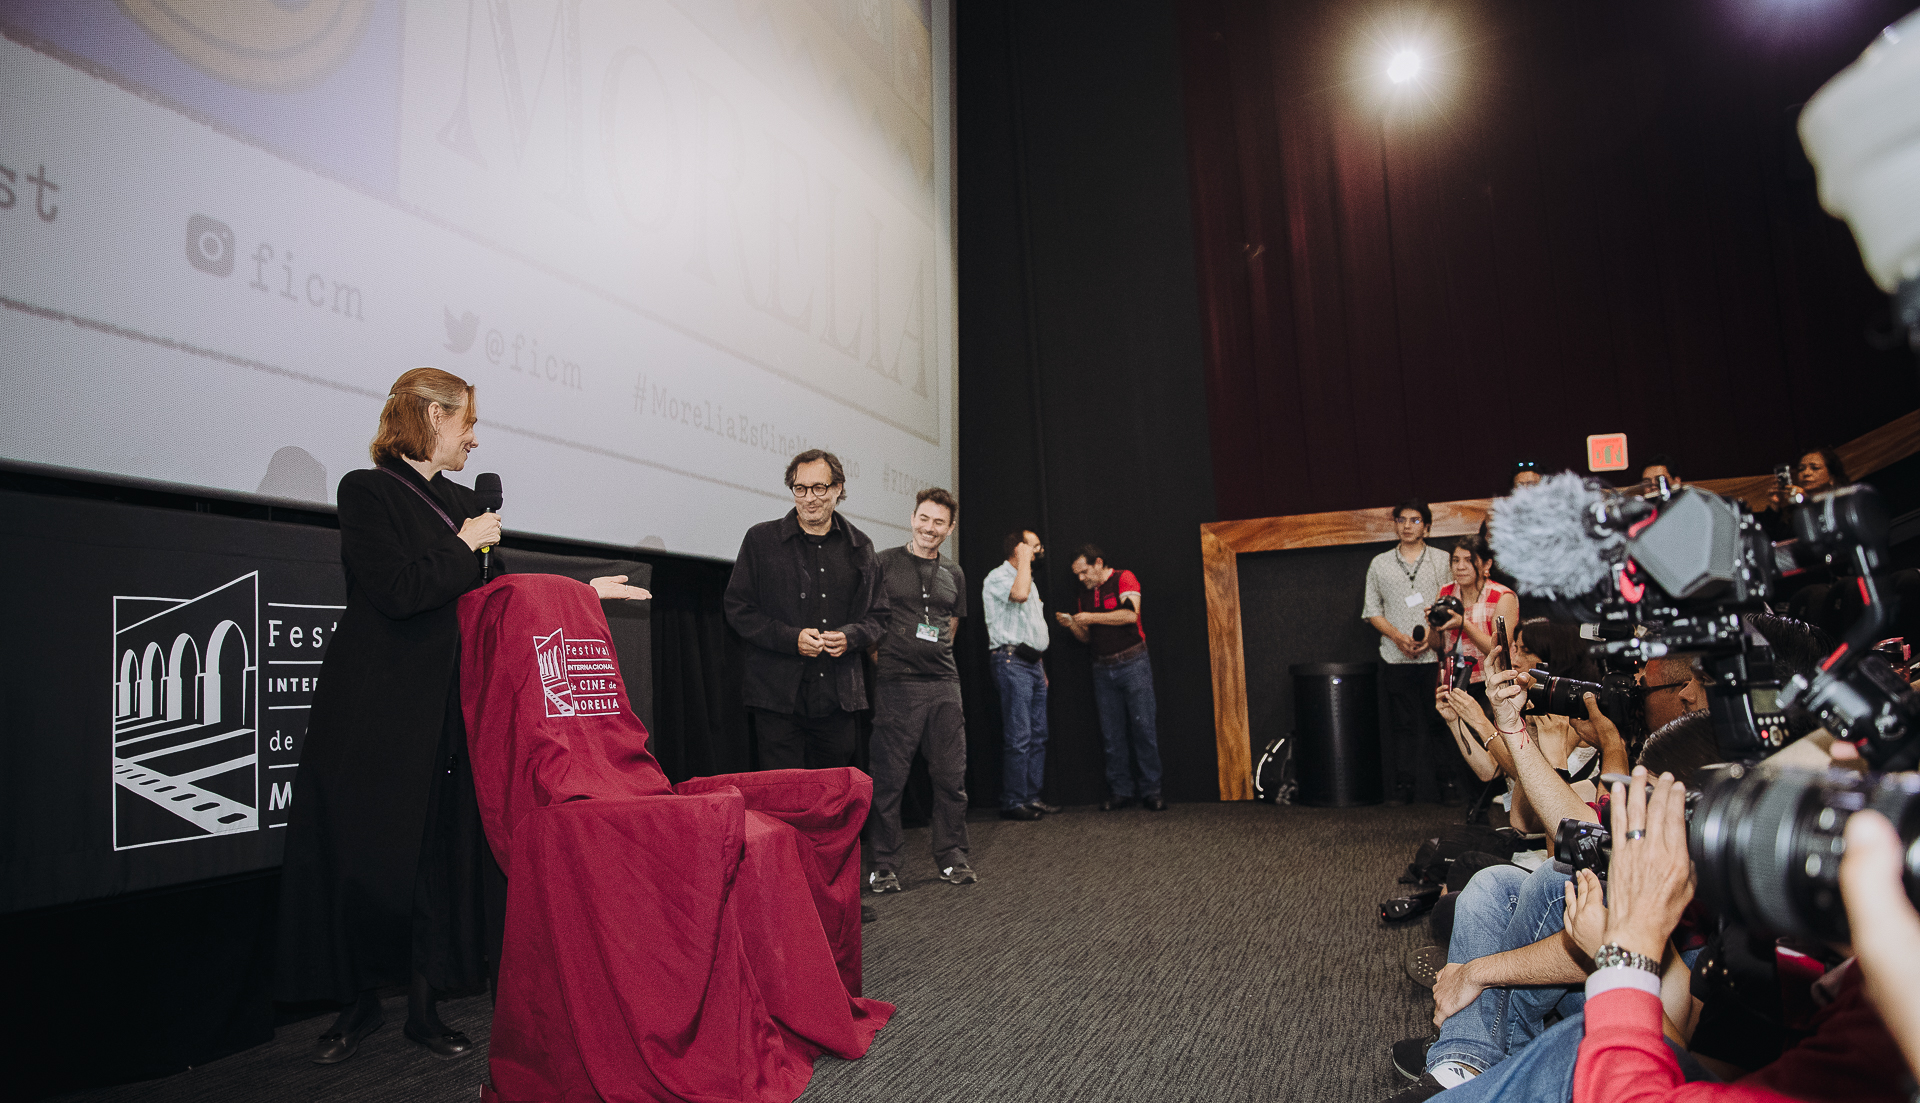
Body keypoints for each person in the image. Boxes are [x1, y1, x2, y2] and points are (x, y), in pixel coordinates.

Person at [275, 368, 646, 1065]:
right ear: (429, 415)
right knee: (361, 858)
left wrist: (579, 588)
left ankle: (423, 1008)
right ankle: (354, 1005)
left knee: (431, 858)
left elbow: (500, 581)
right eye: (466, 422)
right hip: (374, 707)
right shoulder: (367, 490)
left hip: (448, 701)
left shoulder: (458, 503)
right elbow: (398, 589)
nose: (474, 438)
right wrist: (465, 541)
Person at [724, 449, 889, 770]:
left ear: (838, 489)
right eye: (800, 488)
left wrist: (851, 636)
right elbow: (738, 608)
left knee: (833, 799)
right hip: (776, 697)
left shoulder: (861, 547)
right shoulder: (761, 540)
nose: (809, 498)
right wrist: (791, 638)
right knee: (784, 799)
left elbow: (879, 616)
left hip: (838, 698)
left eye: (819, 488)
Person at [866, 488, 976, 892]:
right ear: (913, 518)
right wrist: (891, 660)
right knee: (889, 779)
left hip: (945, 687)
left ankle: (952, 857)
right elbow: (869, 621)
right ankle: (883, 864)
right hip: (897, 686)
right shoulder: (883, 563)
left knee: (951, 777)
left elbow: (951, 624)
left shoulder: (955, 573)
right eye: (924, 519)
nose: (930, 528)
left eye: (939, 522)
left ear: (950, 529)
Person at [1057, 545, 1165, 811]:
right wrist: (1073, 624)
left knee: (1144, 729)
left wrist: (1091, 617)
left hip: (1133, 662)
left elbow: (1130, 614)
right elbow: (1086, 637)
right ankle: (1121, 791)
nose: (1081, 579)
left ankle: (1152, 791)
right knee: (1111, 734)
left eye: (1084, 572)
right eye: (1077, 575)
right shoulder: (1084, 594)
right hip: (1102, 668)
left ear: (1098, 563)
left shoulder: (1123, 578)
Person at [1365, 501, 1456, 805]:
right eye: (1401, 520)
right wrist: (1397, 637)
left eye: (1415, 520)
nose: (1407, 526)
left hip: (1435, 655)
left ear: (1427, 527)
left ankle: (1448, 785)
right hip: (1395, 655)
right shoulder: (1380, 563)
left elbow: (1454, 604)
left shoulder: (1443, 561)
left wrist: (1432, 639)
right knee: (1402, 725)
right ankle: (1404, 788)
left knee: (1440, 721)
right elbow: (1372, 610)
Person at [982, 529, 1058, 821]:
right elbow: (1019, 594)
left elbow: (1033, 628)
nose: (1039, 552)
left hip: (1033, 664)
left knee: (1039, 734)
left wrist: (1041, 666)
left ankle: (1030, 796)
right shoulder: (998, 577)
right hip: (1011, 661)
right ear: (1019, 548)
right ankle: (1013, 800)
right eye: (1034, 547)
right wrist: (1024, 559)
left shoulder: (1029, 578)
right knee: (1020, 735)